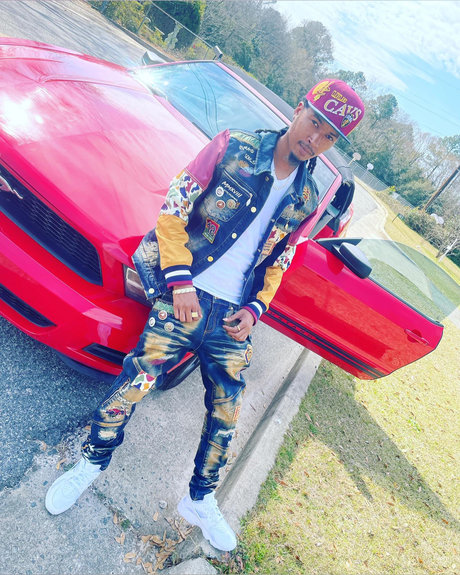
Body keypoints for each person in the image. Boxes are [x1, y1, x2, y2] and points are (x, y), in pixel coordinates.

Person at [45, 79, 364, 551]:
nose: (314, 138)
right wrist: (179, 282)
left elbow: (281, 259)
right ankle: (91, 461)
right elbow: (174, 209)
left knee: (227, 412)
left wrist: (255, 309)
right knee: (135, 384)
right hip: (185, 296)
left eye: (328, 136)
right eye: (314, 122)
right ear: (299, 109)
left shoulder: (306, 198)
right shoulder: (233, 146)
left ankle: (199, 498)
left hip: (233, 318)